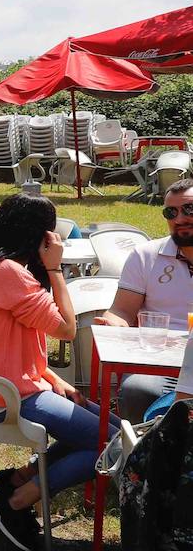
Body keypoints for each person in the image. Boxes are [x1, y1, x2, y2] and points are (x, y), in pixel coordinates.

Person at [0, 194, 116, 551]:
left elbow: (10, 348)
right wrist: (56, 269)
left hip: (9, 386)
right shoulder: (9, 273)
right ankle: (14, 502)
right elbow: (67, 329)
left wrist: (55, 380)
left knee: (114, 427)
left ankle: (15, 480)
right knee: (111, 444)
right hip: (5, 396)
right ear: (42, 236)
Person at [96, 179, 193, 421]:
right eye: (171, 212)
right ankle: (141, 453)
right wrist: (112, 323)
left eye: (189, 209)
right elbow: (122, 310)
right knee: (137, 390)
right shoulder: (146, 256)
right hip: (158, 361)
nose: (180, 218)